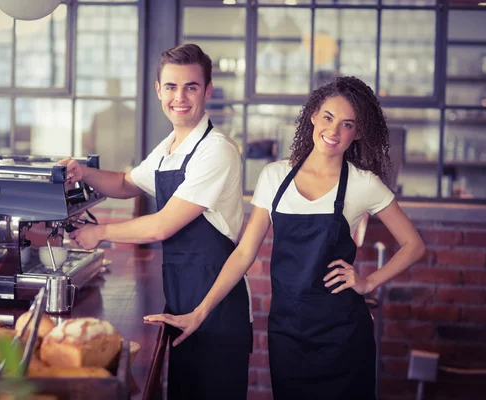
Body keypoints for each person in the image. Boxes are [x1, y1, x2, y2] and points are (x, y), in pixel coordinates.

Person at [144, 76, 426, 399]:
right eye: (328, 118)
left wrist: (369, 281)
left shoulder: (364, 184)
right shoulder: (274, 176)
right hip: (287, 336)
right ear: (313, 116)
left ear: (358, 133)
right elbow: (244, 253)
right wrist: (200, 312)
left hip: (344, 337)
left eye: (347, 125)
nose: (333, 132)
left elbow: (413, 245)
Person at [59, 44, 252, 400]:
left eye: (191, 87)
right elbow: (125, 183)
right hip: (181, 298)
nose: (180, 97)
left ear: (207, 91)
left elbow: (162, 225)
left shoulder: (216, 150)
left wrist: (99, 233)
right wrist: (83, 172)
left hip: (217, 304)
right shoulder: (169, 147)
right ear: (158, 90)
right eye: (172, 87)